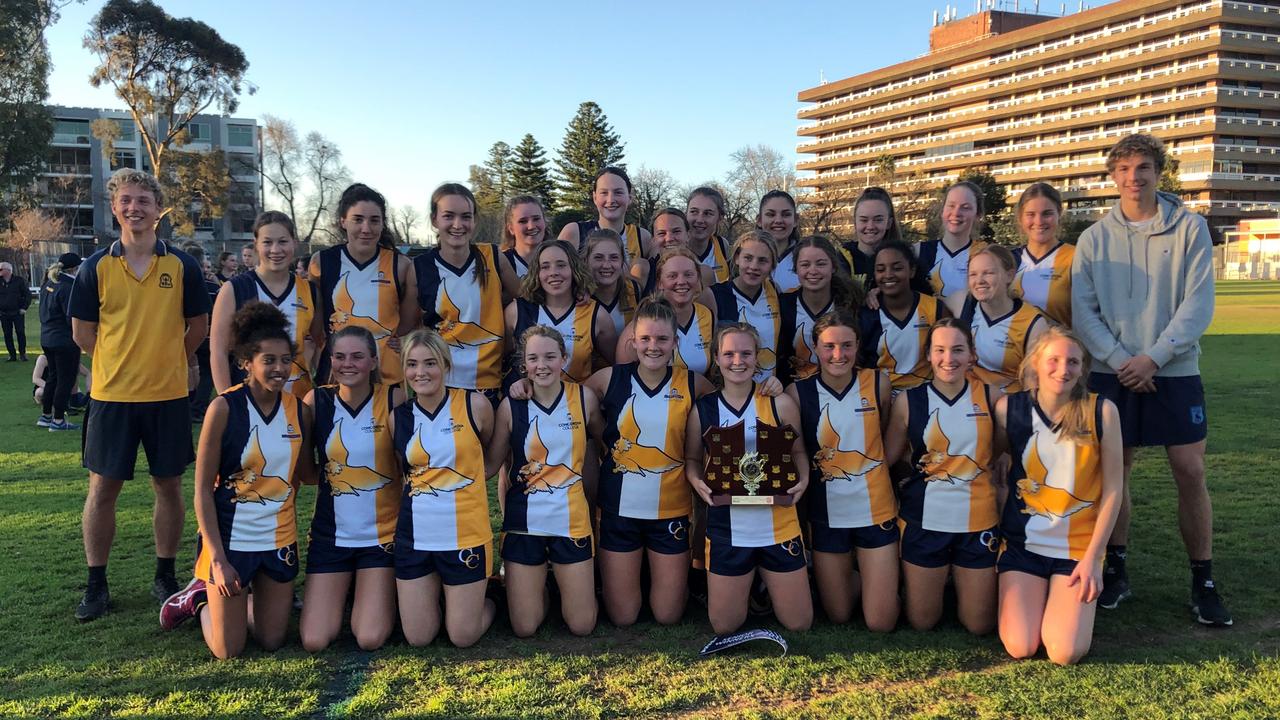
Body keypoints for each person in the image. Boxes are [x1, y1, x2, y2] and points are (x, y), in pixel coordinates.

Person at [1072, 132, 1230, 626]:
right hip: (1112, 372)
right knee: (1116, 474)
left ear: (1156, 172)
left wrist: (1154, 358)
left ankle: (1202, 579)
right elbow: (1084, 312)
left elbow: (1198, 304)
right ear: (1112, 176)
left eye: (1142, 167)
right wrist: (1122, 359)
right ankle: (1116, 572)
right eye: (1123, 169)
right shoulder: (1095, 237)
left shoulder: (1190, 228)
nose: (1133, 177)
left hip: (1174, 370)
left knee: (1190, 472)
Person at [70, 168, 211, 621]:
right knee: (102, 489)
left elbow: (198, 328)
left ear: (158, 209)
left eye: (143, 201)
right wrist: (119, 364)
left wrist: (168, 360)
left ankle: (165, 575)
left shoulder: (181, 265)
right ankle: (96, 583)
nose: (135, 208)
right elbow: (82, 334)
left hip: (167, 396)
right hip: (112, 398)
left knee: (168, 485)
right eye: (126, 200)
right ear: (115, 208)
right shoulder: (95, 268)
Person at [158, 302, 312, 659]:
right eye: (268, 360)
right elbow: (200, 491)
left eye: (285, 359)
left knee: (272, 640)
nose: (279, 368)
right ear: (246, 362)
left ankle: (245, 595)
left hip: (279, 538)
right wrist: (216, 559)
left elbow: (306, 475)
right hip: (231, 541)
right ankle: (198, 599)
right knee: (229, 649)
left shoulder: (300, 410)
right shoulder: (223, 408)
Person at [995, 327, 1123, 665]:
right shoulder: (1009, 409)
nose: (1062, 369)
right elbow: (997, 466)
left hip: (1077, 549)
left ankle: (1063, 602)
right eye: (1053, 360)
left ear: (1083, 369)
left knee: (1065, 652)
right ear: (1035, 363)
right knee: (1020, 645)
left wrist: (1094, 557)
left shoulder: (1102, 411)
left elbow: (1113, 489)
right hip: (1024, 546)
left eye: (1073, 362)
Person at [586, 297, 712, 626]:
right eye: (645, 339)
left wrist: (767, 388)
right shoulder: (606, 379)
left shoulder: (693, 383)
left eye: (661, 339)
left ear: (675, 342)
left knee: (667, 615)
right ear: (633, 341)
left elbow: (732, 405)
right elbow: (559, 402)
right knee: (623, 617)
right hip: (618, 510)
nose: (653, 347)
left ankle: (674, 581)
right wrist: (524, 385)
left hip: (670, 511)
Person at [685, 322, 812, 635]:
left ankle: (763, 588)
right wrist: (695, 480)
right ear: (716, 358)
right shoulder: (704, 408)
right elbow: (690, 458)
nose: (737, 361)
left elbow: (798, 453)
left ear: (758, 358)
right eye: (729, 354)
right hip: (728, 525)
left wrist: (804, 479)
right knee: (725, 625)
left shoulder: (778, 402)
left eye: (746, 353)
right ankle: (751, 589)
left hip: (777, 521)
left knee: (799, 623)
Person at [884, 319, 1001, 634]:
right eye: (940, 350)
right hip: (924, 520)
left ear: (972, 355)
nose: (948, 359)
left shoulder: (993, 397)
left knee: (979, 625)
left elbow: (1002, 452)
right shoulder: (908, 401)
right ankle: (937, 580)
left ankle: (963, 582)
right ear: (929, 355)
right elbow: (887, 459)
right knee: (923, 622)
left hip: (978, 520)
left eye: (957, 350)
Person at [485, 326, 604, 637]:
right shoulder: (511, 406)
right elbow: (491, 465)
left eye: (550, 357)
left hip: (572, 520)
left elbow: (606, 443)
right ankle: (530, 586)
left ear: (563, 358)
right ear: (524, 364)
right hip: (525, 521)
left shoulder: (584, 398)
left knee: (582, 625)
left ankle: (560, 583)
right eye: (534, 359)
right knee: (524, 628)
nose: (542, 365)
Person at [787, 310, 898, 631]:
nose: (839, 354)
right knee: (838, 614)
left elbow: (887, 440)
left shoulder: (878, 383)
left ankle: (884, 582)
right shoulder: (798, 393)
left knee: (880, 622)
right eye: (830, 346)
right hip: (827, 515)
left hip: (875, 510)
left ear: (858, 346)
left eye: (847, 346)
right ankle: (871, 579)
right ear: (816, 348)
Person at [298, 326, 403, 652]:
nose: (348, 364)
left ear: (373, 360)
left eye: (358, 356)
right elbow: (308, 472)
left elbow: (407, 466)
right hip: (331, 538)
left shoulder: (394, 397)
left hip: (382, 538)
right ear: (330, 360)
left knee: (369, 637)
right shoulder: (316, 401)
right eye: (340, 357)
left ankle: (374, 593)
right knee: (314, 640)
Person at [392, 329, 496, 647]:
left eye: (430, 363)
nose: (420, 372)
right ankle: (446, 598)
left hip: (466, 534)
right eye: (412, 364)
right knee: (419, 637)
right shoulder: (399, 418)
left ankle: (490, 602)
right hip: (415, 537)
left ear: (446, 364)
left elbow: (488, 459)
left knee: (463, 636)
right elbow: (401, 474)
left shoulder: (475, 405)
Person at [415, 183, 520, 402]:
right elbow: (411, 324)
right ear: (434, 220)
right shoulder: (419, 267)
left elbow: (523, 296)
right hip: (441, 383)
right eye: (448, 216)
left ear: (474, 220)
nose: (458, 224)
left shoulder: (492, 256)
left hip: (488, 382)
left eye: (465, 216)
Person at [310, 183, 416, 386]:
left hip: (387, 378)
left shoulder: (401, 265)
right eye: (358, 219)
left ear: (383, 223)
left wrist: (403, 340)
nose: (366, 228)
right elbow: (316, 324)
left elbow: (411, 321)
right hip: (337, 377)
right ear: (343, 221)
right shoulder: (321, 262)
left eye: (374, 220)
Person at [212, 212, 323, 400]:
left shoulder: (310, 291)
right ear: (256, 244)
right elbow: (218, 352)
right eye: (267, 242)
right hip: (250, 400)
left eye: (282, 241)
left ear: (294, 243)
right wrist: (228, 402)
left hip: (298, 402)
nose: (275, 249)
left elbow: (319, 345)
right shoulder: (235, 289)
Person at [505, 239, 616, 384]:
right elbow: (502, 359)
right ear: (537, 273)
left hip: (575, 403)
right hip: (526, 400)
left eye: (561, 265)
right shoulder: (516, 311)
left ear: (574, 269)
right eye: (545, 267)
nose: (553, 273)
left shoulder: (597, 316)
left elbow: (615, 364)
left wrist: (589, 392)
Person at [943, 245, 1047, 394]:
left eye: (988, 273)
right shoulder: (962, 303)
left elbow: (1033, 386)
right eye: (973, 274)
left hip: (1005, 406)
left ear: (1009, 275)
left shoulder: (1033, 324)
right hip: (965, 402)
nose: (979, 280)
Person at [857, 241, 950, 392]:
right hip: (883, 395)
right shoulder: (867, 313)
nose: (888, 274)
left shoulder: (935, 309)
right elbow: (860, 363)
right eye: (880, 269)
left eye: (897, 268)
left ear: (912, 270)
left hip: (927, 393)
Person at [616, 247, 716, 377]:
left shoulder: (707, 316)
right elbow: (621, 377)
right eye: (672, 276)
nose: (681, 282)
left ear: (698, 279)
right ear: (660, 283)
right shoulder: (643, 322)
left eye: (688, 274)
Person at [778, 236, 860, 385]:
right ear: (795, 269)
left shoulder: (852, 303)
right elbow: (781, 359)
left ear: (833, 267)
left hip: (842, 385)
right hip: (797, 390)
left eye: (821, 264)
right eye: (805, 265)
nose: (813, 271)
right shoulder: (784, 304)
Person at [709, 230, 783, 382]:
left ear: (772, 264)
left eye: (762, 261)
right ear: (737, 258)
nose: (754, 266)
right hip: (730, 391)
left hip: (768, 391)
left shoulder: (776, 293)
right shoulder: (715, 295)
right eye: (748, 258)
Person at [558, 167, 653, 263]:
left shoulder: (642, 237)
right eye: (604, 193)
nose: (611, 200)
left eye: (618, 192)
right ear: (595, 197)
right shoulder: (574, 233)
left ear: (630, 197)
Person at [1011, 183, 1073, 327]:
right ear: (1020, 217)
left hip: (1058, 348)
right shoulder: (1008, 261)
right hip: (1013, 349)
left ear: (1059, 214)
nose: (1038, 222)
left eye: (1047, 214)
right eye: (1030, 214)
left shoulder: (1076, 258)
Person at [37, 253, 83, 431]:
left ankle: (46, 415)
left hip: (47, 337)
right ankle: (58, 420)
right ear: (75, 268)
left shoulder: (49, 283)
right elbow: (70, 316)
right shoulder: (68, 287)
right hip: (64, 339)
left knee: (53, 377)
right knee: (66, 379)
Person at [915, 181, 985, 297]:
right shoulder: (917, 252)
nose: (956, 213)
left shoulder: (985, 256)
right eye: (951, 206)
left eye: (965, 208)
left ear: (977, 215)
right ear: (942, 211)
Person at [180, 243, 222, 421]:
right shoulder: (211, 287)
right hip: (206, 336)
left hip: (186, 335)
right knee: (206, 373)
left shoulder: (179, 285)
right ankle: (197, 406)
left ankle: (190, 402)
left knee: (190, 369)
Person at [632, 208, 715, 295]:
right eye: (661, 233)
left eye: (676, 231)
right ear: (653, 239)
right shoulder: (642, 270)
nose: (669, 239)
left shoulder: (703, 273)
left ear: (688, 235)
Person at [584, 229, 642, 337]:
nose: (606, 265)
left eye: (614, 258)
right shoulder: (579, 296)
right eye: (598, 258)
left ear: (622, 261)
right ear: (586, 260)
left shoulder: (635, 291)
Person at [844, 187, 903, 290]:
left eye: (878, 220)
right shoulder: (840, 259)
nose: (870, 226)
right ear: (855, 222)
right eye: (864, 220)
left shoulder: (903, 259)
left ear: (889, 223)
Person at [685, 186, 732, 283]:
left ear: (720, 218)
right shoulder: (674, 247)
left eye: (707, 213)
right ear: (686, 214)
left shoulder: (723, 245)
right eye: (694, 212)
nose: (700, 220)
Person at [758, 191, 802, 293]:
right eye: (770, 214)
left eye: (786, 214)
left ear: (795, 220)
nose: (778, 220)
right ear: (759, 220)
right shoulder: (744, 260)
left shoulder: (807, 258)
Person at [501, 195, 550, 279]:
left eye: (536, 219)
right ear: (511, 228)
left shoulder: (559, 258)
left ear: (545, 221)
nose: (531, 226)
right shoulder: (501, 263)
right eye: (523, 221)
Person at [0, 260, 31, 361]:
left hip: (17, 312)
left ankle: (22, 353)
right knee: (7, 334)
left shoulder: (19, 281)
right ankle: (12, 355)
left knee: (20, 332)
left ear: (8, 270)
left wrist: (24, 308)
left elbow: (27, 295)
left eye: (1, 269)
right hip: (3, 313)